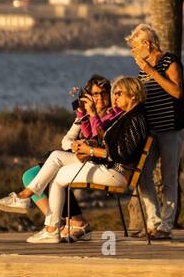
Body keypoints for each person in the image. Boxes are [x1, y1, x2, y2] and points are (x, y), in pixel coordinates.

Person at [0, 75, 120, 241]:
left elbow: (99, 141)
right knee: (29, 175)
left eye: (103, 93)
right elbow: (66, 139)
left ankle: (56, 222)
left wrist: (87, 137)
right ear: (88, 96)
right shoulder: (83, 115)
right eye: (95, 94)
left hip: (95, 160)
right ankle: (62, 223)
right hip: (80, 155)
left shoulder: (111, 115)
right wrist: (75, 145)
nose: (100, 97)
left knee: (52, 168)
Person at [23, 76, 149, 244]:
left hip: (115, 172)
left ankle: (48, 223)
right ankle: (47, 223)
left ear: (133, 95)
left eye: (117, 93)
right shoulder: (129, 117)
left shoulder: (133, 118)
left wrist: (90, 149)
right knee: (56, 163)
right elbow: (106, 143)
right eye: (115, 93)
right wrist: (86, 142)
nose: (114, 97)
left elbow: (119, 154)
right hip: (110, 168)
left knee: (56, 170)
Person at [127, 23, 184, 240]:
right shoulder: (142, 68)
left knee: (168, 177)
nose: (133, 52)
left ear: (147, 44)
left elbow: (176, 91)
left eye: (135, 47)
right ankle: (153, 222)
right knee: (143, 173)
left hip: (171, 127)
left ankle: (166, 226)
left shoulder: (168, 61)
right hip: (151, 130)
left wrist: (151, 71)